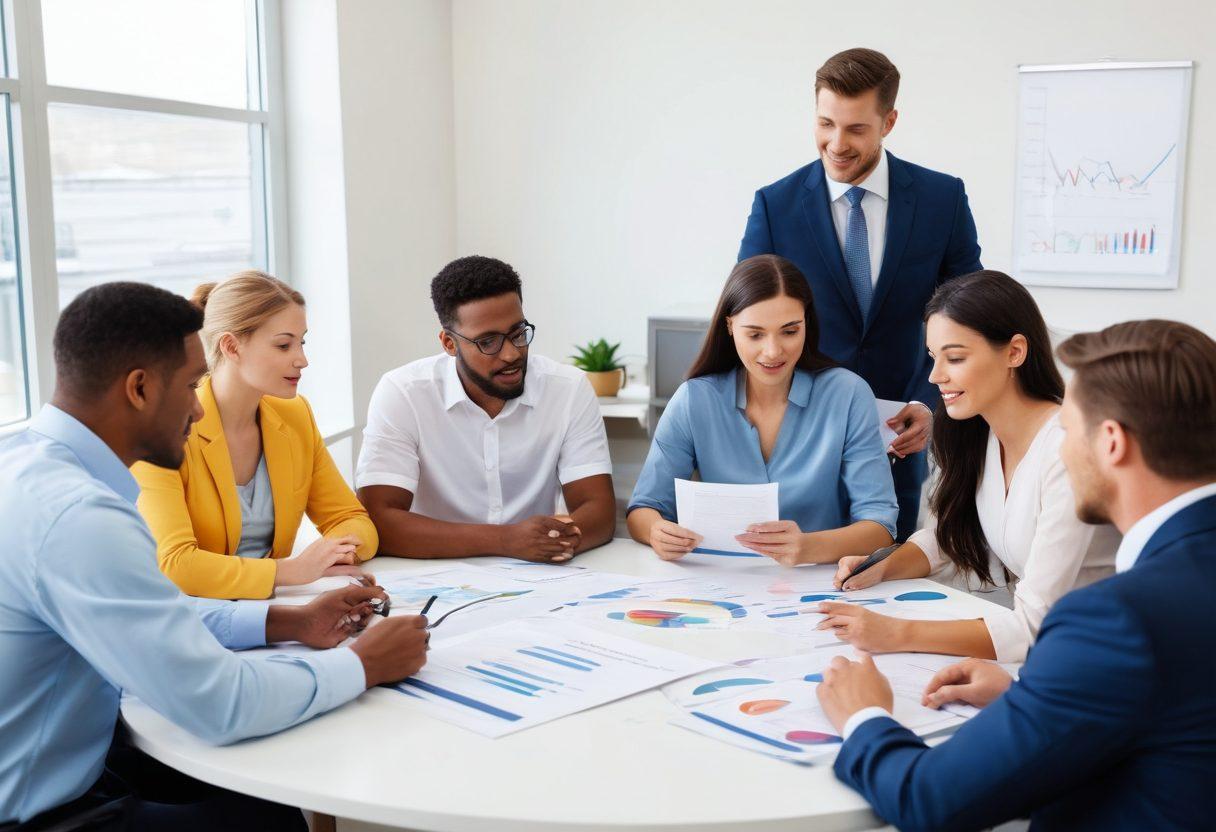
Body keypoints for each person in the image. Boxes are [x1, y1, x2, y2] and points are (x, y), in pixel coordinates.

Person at [0, 282, 428, 830]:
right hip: (41, 813)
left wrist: (284, 620)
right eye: (191, 384)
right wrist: (364, 664)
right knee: (268, 820)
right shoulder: (79, 517)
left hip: (69, 762)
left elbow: (141, 609)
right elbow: (222, 706)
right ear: (139, 389)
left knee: (256, 797)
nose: (199, 408)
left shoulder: (33, 468)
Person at [815, 319, 1216, 831]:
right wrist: (1031, 695)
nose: (1063, 448)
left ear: (1111, 442)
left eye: (1069, 431)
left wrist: (863, 715)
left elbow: (928, 799)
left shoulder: (1113, 620)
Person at [738, 47, 983, 541]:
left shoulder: (942, 199)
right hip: (796, 437)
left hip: (896, 435)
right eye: (826, 124)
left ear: (889, 121)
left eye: (856, 129)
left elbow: (970, 318)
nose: (836, 144)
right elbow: (744, 315)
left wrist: (932, 403)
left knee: (880, 576)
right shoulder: (775, 205)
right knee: (788, 581)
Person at [820, 272, 1118, 661]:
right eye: (933, 357)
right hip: (1055, 653)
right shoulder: (978, 433)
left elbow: (1034, 625)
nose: (935, 376)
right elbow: (949, 537)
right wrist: (883, 566)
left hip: (1101, 653)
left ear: (1015, 352)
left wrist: (894, 632)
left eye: (955, 358)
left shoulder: (1066, 450)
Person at [627, 254, 898, 563]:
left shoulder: (848, 394)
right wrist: (658, 532)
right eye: (755, 334)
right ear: (729, 326)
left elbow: (881, 525)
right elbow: (644, 509)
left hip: (817, 583)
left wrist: (807, 547)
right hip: (713, 580)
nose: (773, 351)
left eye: (790, 331)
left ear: (806, 324)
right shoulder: (694, 399)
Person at [134, 272, 379, 600]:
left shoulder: (294, 416)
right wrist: (290, 571)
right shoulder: (162, 429)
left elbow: (351, 519)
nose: (302, 360)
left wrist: (336, 552)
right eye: (283, 344)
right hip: (189, 616)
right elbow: (176, 564)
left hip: (276, 607)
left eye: (301, 342)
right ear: (231, 346)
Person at [357, 256, 615, 562]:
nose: (510, 353)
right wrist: (507, 540)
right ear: (449, 344)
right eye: (487, 342)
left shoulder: (568, 388)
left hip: (538, 574)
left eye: (518, 332)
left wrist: (540, 543)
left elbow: (599, 512)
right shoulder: (404, 392)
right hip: (433, 573)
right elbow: (379, 520)